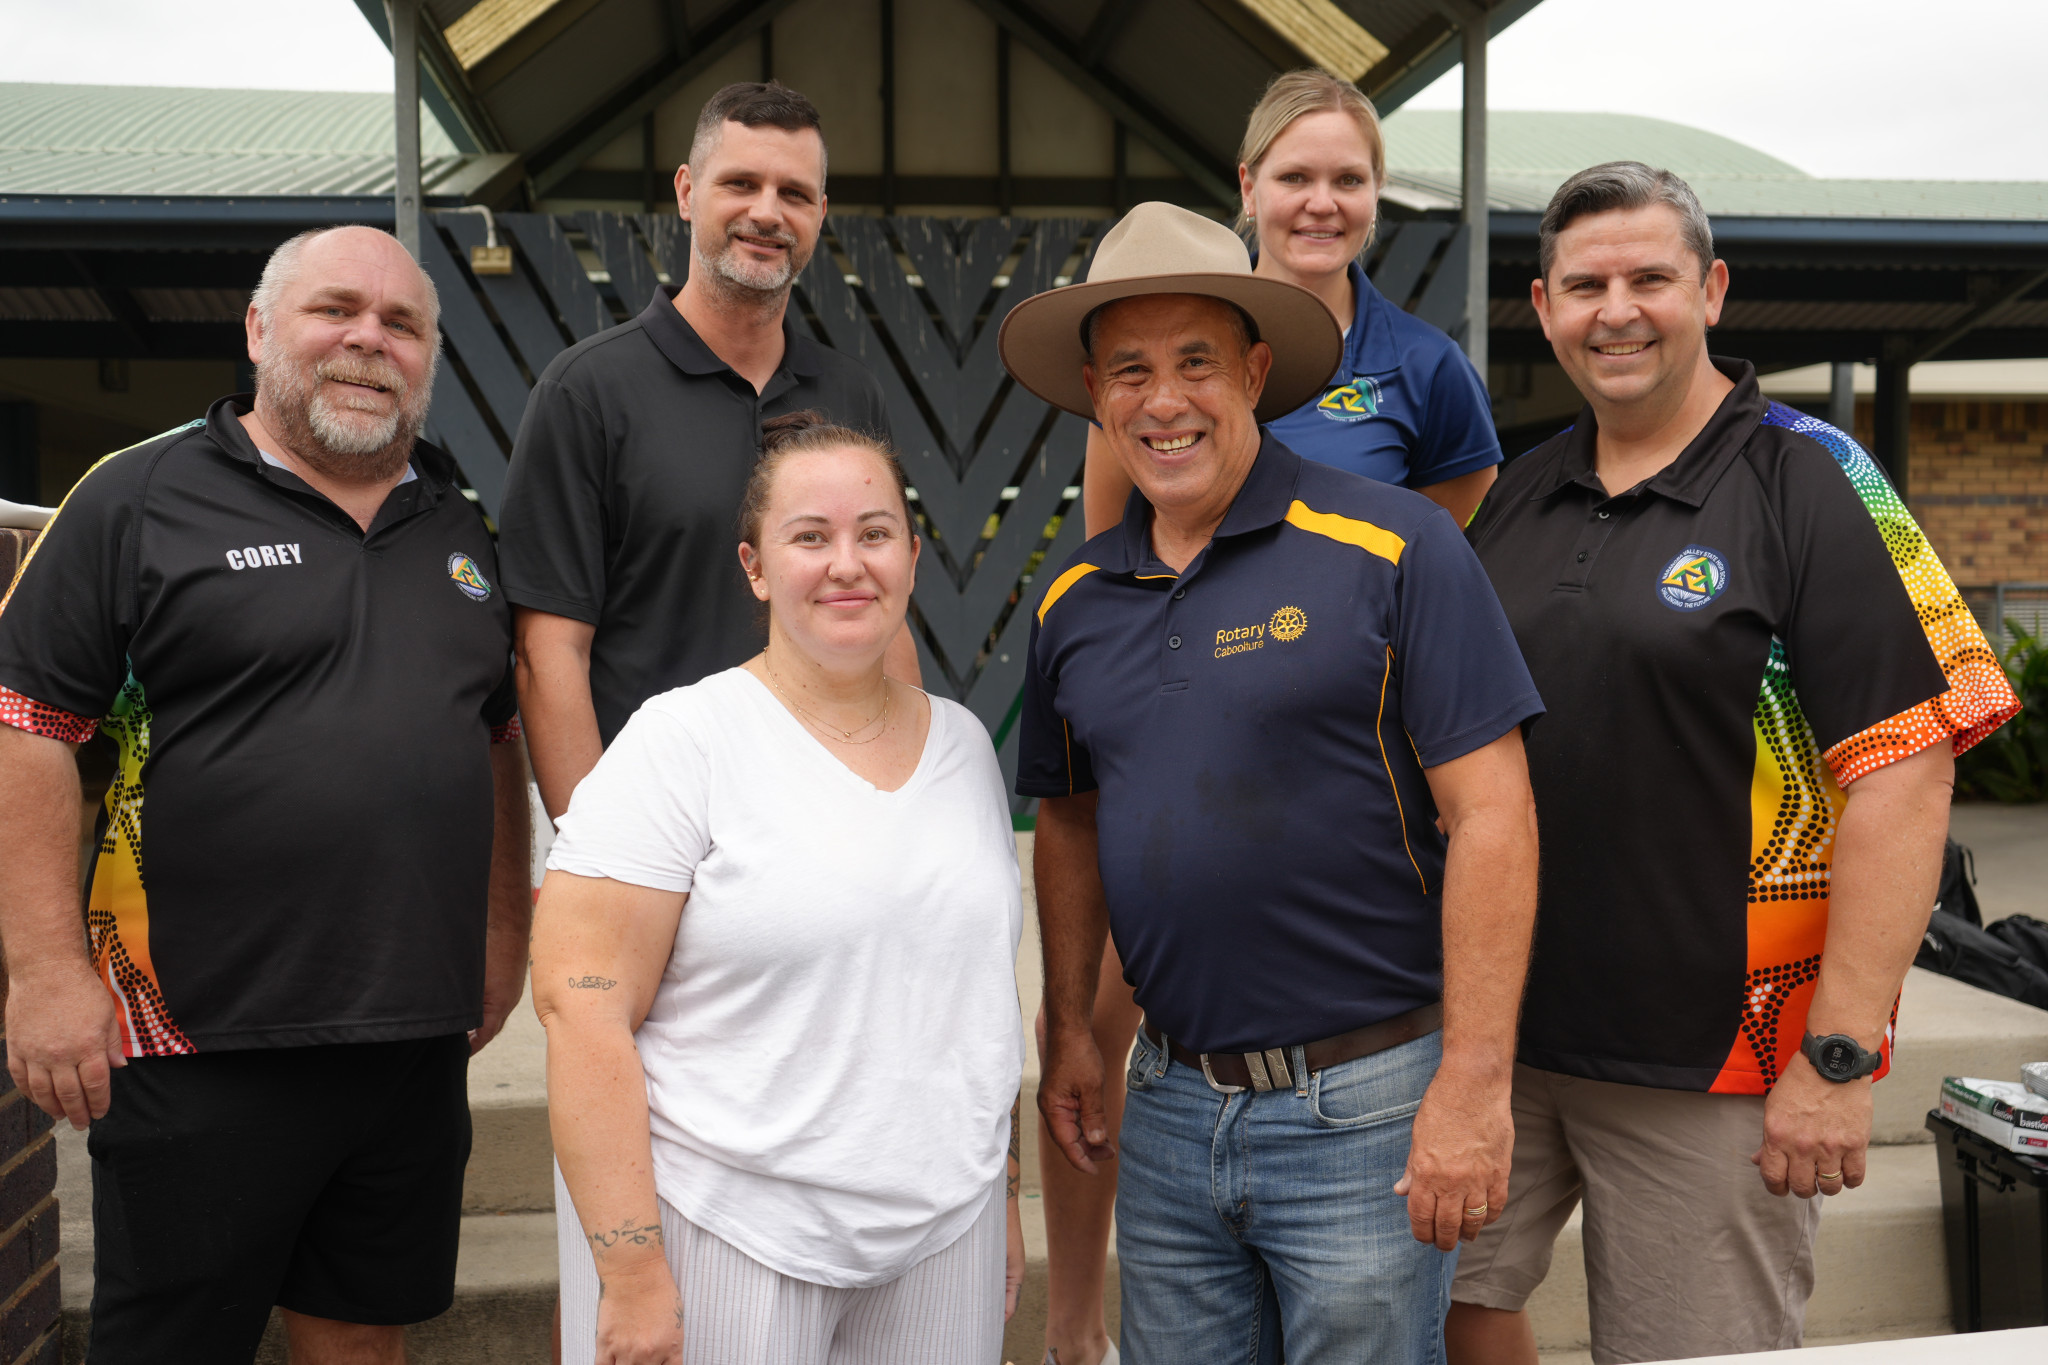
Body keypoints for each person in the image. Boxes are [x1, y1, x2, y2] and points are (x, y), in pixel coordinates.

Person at [1449, 163, 2022, 1365]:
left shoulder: (1811, 478)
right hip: (1499, 1038)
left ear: (1708, 290)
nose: (1616, 309)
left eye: (1648, 278)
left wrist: (1837, 1055)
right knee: (1450, 1311)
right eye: (1585, 283)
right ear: (1543, 307)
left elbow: (1906, 771)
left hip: (1716, 1060)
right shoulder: (1517, 495)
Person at [1002, 200, 1544, 1364]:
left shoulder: (1395, 547)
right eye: (1130, 370)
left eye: (1195, 361)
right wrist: (1068, 1032)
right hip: (1166, 1108)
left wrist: (1472, 1085)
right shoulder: (1073, 600)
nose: (1163, 401)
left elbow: (1492, 815)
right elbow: (1070, 823)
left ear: (1253, 369)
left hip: (1364, 1106)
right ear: (1094, 393)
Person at [0, 225, 532, 1364]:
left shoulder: (459, 527)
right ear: (257, 332)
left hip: (406, 1042)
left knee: (360, 1339)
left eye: (401, 324)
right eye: (334, 309)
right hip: (196, 1035)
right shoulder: (137, 497)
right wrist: (43, 972)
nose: (367, 340)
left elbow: (494, 742)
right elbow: (27, 727)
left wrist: (499, 935)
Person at [532, 412, 1025, 1365]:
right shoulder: (681, 744)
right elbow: (580, 1006)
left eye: (874, 533)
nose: (848, 562)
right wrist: (630, 1275)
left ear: (912, 558)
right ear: (756, 567)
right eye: (812, 536)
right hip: (730, 1227)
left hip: (941, 1230)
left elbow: (977, 1003)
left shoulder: (964, 746)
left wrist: (1000, 1191)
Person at [498, 79, 914, 826]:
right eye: (741, 183)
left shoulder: (853, 394)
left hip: (832, 829)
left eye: (793, 192)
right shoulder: (587, 391)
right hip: (664, 838)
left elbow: (888, 623)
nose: (766, 211)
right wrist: (603, 850)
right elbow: (548, 653)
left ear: (819, 215)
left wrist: (905, 808)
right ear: (687, 192)